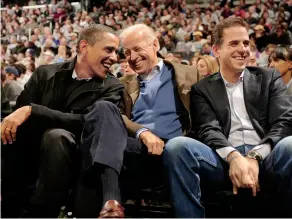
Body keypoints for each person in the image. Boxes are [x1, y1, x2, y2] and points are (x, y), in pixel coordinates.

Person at [163, 17, 292, 218]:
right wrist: (233, 157)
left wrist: (254, 156)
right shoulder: (202, 88)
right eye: (234, 43)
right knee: (177, 146)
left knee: (291, 144)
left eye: (246, 43)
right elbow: (208, 128)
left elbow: (284, 122)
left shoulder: (269, 77)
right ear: (216, 50)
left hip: (266, 157)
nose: (242, 49)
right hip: (222, 161)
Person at [1, 24, 124, 218]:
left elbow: (91, 123)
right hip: (31, 151)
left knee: (56, 137)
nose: (115, 58)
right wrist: (24, 114)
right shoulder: (45, 73)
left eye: (116, 52)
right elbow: (19, 115)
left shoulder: (112, 87)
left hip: (80, 158)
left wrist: (35, 111)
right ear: (84, 47)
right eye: (109, 50)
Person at [78, 23, 199, 217]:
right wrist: (143, 132)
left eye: (137, 49)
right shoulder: (122, 84)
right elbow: (117, 116)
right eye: (127, 53)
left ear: (156, 45)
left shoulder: (191, 74)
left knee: (96, 147)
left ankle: (97, 207)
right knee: (103, 109)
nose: (133, 57)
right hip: (135, 148)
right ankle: (112, 202)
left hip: (174, 150)